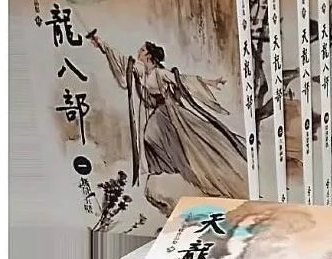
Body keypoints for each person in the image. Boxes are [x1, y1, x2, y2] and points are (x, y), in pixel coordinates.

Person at [88, 33, 247, 210]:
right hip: (159, 113)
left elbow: (184, 80)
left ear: (149, 55)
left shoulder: (160, 73)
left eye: (142, 50)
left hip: (169, 111)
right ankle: (165, 167)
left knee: (176, 138)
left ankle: (187, 169)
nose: (139, 52)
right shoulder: (142, 71)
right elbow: (123, 61)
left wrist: (210, 82)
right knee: (150, 136)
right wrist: (102, 44)